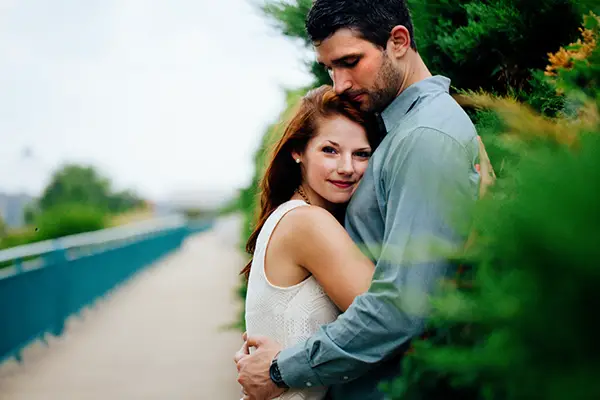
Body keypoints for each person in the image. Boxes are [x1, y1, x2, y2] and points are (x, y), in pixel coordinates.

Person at [235, 0, 485, 399]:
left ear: (398, 42)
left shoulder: (423, 138)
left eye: (351, 61)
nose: (340, 83)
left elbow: (402, 306)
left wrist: (282, 369)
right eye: (330, 68)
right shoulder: (406, 133)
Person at [240, 84, 382, 400]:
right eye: (329, 150)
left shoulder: (298, 216)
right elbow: (387, 317)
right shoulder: (308, 222)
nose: (347, 168)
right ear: (298, 151)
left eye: (362, 154)